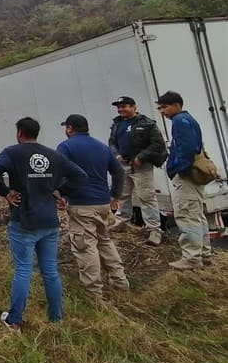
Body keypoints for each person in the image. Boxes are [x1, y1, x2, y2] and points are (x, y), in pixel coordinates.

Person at [0, 117, 86, 332]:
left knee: (23, 269)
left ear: (20, 133)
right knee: (50, 271)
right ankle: (56, 317)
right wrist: (60, 190)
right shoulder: (52, 155)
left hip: (24, 221)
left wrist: (6, 193)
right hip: (50, 223)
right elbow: (80, 176)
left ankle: (14, 320)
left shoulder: (12, 152)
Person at [57, 114, 129, 297]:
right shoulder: (102, 147)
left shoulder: (65, 147)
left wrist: (61, 194)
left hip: (81, 204)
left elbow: (60, 173)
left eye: (67, 127)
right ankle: (120, 282)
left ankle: (93, 293)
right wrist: (115, 195)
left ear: (70, 128)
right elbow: (119, 171)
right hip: (103, 203)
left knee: (85, 246)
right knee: (104, 241)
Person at [156, 91, 213, 270]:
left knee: (186, 214)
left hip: (186, 176)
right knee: (197, 214)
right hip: (192, 175)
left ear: (176, 105)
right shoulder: (187, 120)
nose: (162, 112)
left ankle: (191, 257)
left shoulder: (180, 121)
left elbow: (187, 148)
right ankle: (204, 253)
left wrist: (178, 169)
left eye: (164, 107)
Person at [108, 96, 168, 246]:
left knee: (146, 197)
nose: (121, 109)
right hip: (124, 165)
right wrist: (116, 154)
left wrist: (142, 157)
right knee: (123, 195)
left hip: (142, 166)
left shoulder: (146, 123)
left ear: (133, 107)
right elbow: (112, 142)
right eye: (119, 107)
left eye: (124, 106)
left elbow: (158, 144)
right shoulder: (117, 124)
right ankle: (121, 222)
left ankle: (154, 230)